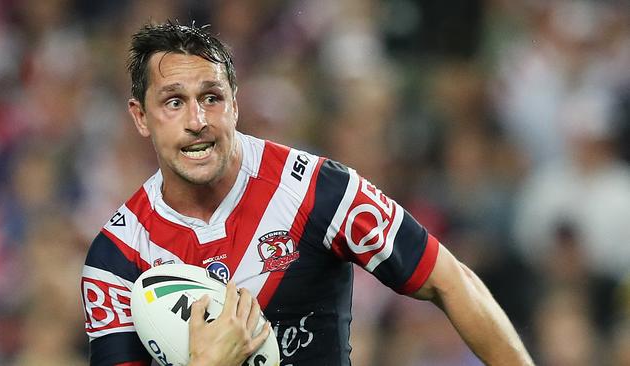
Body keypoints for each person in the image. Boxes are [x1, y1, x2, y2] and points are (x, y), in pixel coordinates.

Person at [80, 21, 534, 366]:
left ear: (235, 103)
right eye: (174, 101)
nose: (198, 120)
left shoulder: (317, 190)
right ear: (141, 117)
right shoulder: (115, 259)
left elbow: (450, 281)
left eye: (212, 97)